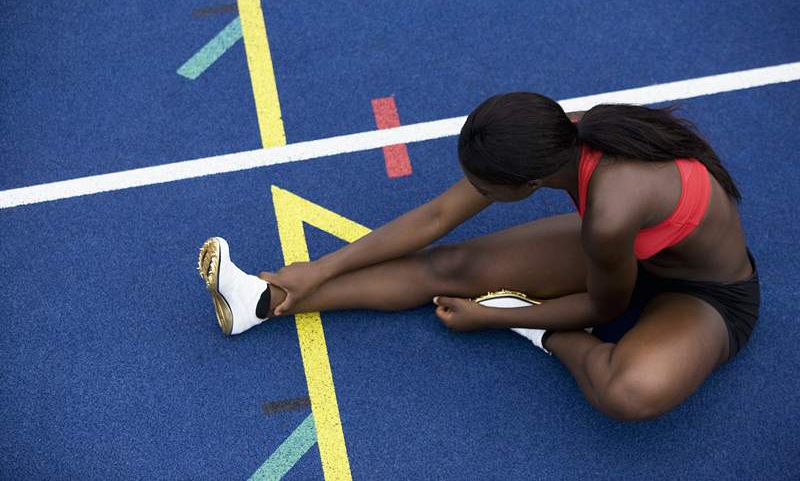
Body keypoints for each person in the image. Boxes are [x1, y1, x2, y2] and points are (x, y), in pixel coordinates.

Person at [198, 92, 760, 421]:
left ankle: (549, 338)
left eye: (487, 190)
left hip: (705, 297)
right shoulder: (550, 136)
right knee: (449, 265)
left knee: (627, 393)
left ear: (530, 182)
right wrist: (320, 268)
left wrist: (500, 317)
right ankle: (261, 301)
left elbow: (603, 306)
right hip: (626, 256)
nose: (476, 194)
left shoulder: (611, 212)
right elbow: (435, 218)